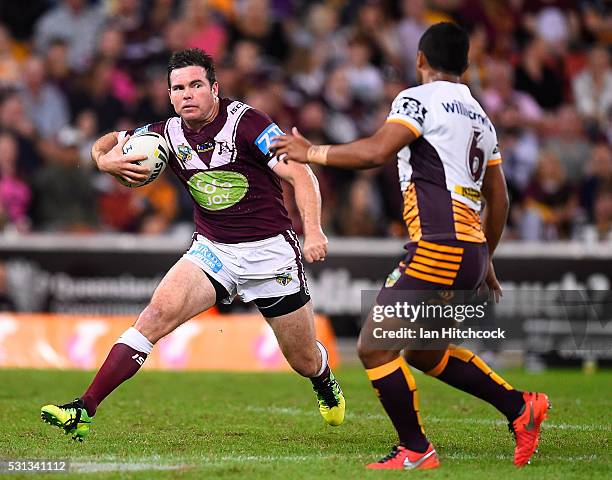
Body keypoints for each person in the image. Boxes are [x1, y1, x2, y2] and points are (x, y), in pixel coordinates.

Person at [273, 22, 549, 470]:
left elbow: (376, 152)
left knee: (374, 346)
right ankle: (521, 407)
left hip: (439, 244)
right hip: (469, 248)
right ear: (465, 65)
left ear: (420, 59)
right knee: (422, 350)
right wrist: (486, 258)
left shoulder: (417, 99)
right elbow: (500, 198)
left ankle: (416, 449)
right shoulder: (481, 116)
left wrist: (312, 152)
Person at [40, 48, 345, 440]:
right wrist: (103, 161)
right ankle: (84, 408)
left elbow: (301, 175)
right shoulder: (164, 133)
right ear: (169, 95)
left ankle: (322, 378)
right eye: (178, 88)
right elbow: (105, 142)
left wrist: (315, 231)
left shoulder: (248, 125)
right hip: (213, 249)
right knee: (153, 318)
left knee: (302, 359)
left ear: (215, 89)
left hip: (270, 253)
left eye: (196, 85)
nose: (187, 94)